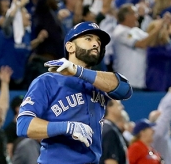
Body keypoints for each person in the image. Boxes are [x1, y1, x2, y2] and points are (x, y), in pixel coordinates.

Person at [16, 22, 133, 164]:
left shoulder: (98, 82)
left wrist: (78, 71)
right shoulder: (48, 81)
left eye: (98, 41)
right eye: (88, 39)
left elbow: (125, 89)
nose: (95, 44)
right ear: (70, 47)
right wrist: (67, 127)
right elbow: (23, 125)